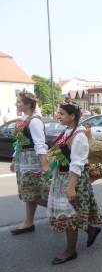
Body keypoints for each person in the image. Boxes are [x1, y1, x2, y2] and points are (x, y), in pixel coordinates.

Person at [47, 100, 102, 265]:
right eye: (59, 113)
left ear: (72, 116)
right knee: (69, 213)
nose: (58, 115)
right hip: (63, 177)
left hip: (73, 179)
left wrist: (71, 187)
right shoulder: (67, 131)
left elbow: (77, 163)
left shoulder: (79, 136)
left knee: (69, 214)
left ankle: (71, 251)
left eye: (62, 113)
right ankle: (91, 230)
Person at [9, 90, 50, 235]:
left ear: (28, 104)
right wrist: (15, 159)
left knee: (34, 195)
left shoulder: (35, 121)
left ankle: (64, 211)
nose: (16, 103)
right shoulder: (25, 119)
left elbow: (40, 144)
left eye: (19, 101)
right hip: (24, 161)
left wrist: (44, 164)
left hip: (33, 163)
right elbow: (20, 142)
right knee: (30, 194)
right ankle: (29, 222)